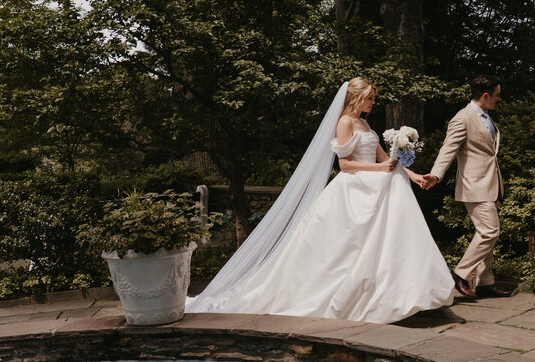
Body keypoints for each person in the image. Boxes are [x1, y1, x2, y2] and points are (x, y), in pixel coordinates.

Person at [187, 78, 455, 324]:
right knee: (343, 250)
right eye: (369, 98)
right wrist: (379, 170)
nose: (373, 103)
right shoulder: (346, 122)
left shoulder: (366, 124)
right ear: (355, 98)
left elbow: (386, 160)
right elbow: (346, 165)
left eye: (373, 99)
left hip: (375, 184)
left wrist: (414, 175)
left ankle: (398, 293)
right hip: (354, 190)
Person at [423, 75, 508, 299]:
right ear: (486, 95)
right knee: (490, 231)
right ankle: (460, 273)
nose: (500, 100)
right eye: (497, 95)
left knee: (487, 232)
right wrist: (436, 174)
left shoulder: (487, 117)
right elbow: (448, 149)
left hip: (490, 183)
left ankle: (485, 282)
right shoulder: (463, 118)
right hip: (474, 184)